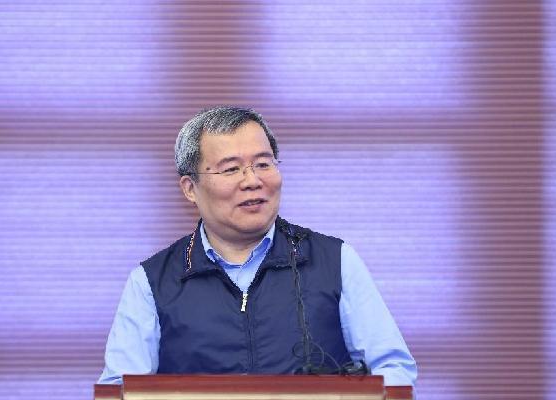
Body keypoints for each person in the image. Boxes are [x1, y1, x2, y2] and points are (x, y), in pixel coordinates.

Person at [99, 106, 417, 385]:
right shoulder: (151, 282)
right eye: (231, 169)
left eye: (263, 164)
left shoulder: (335, 261)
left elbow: (394, 371)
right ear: (190, 188)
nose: (252, 181)